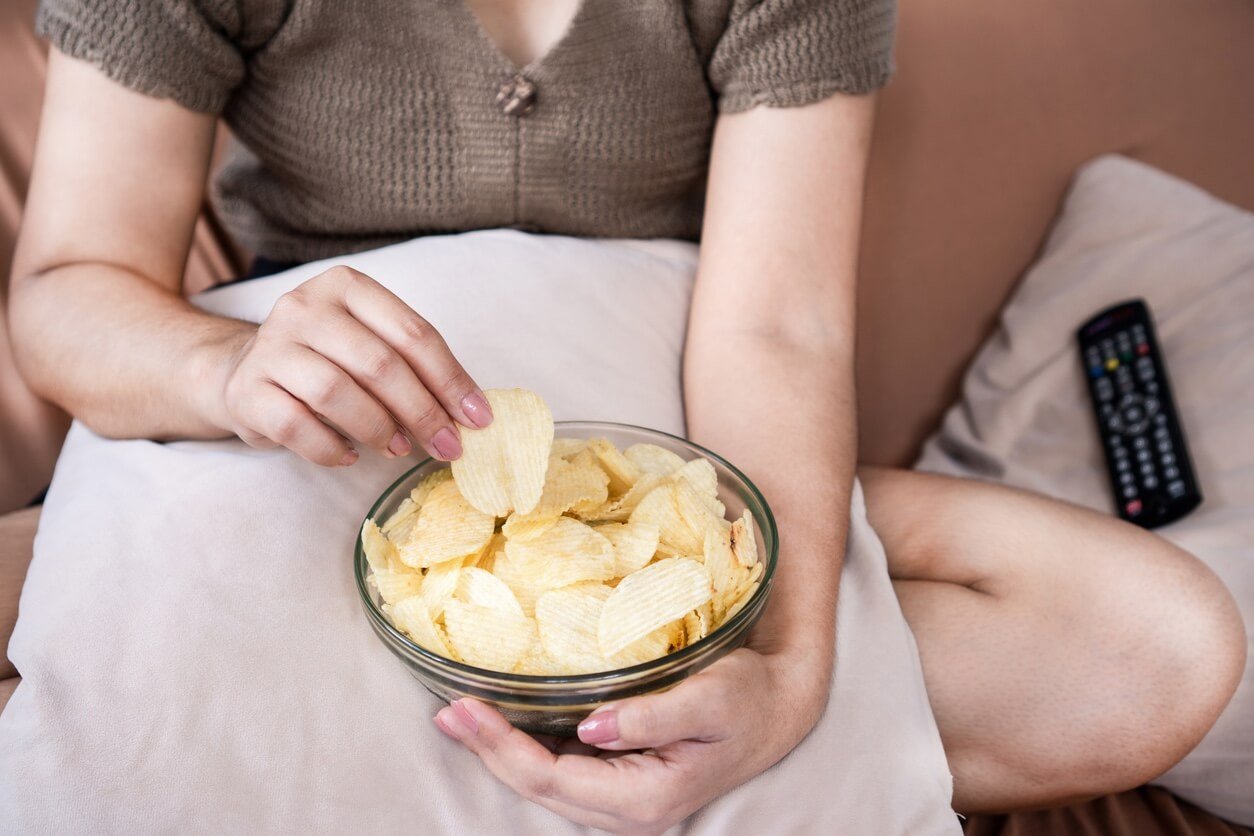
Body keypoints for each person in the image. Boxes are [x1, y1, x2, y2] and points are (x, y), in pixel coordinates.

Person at [2, 0, 1245, 830]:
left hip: (669, 458)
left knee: (1159, 651)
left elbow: (779, 328)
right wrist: (229, 369)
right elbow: (67, 293)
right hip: (313, 453)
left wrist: (784, 668)